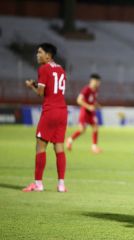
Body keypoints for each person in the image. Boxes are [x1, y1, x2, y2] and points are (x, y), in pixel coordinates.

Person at [23, 43, 68, 193]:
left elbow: (41, 93)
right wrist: (37, 84)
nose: (37, 55)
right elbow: (53, 87)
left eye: (40, 52)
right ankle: (61, 185)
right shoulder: (60, 68)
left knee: (40, 146)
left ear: (48, 56)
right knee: (59, 147)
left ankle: (38, 184)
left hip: (50, 111)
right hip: (62, 111)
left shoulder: (43, 68)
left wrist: (31, 86)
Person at [66, 74, 102, 154]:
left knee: (95, 127)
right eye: (98, 81)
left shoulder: (95, 90)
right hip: (85, 111)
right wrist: (89, 106)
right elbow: (79, 100)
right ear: (93, 81)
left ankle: (94, 147)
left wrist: (97, 105)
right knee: (82, 130)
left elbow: (93, 100)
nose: (99, 83)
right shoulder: (86, 89)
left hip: (91, 112)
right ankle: (70, 140)